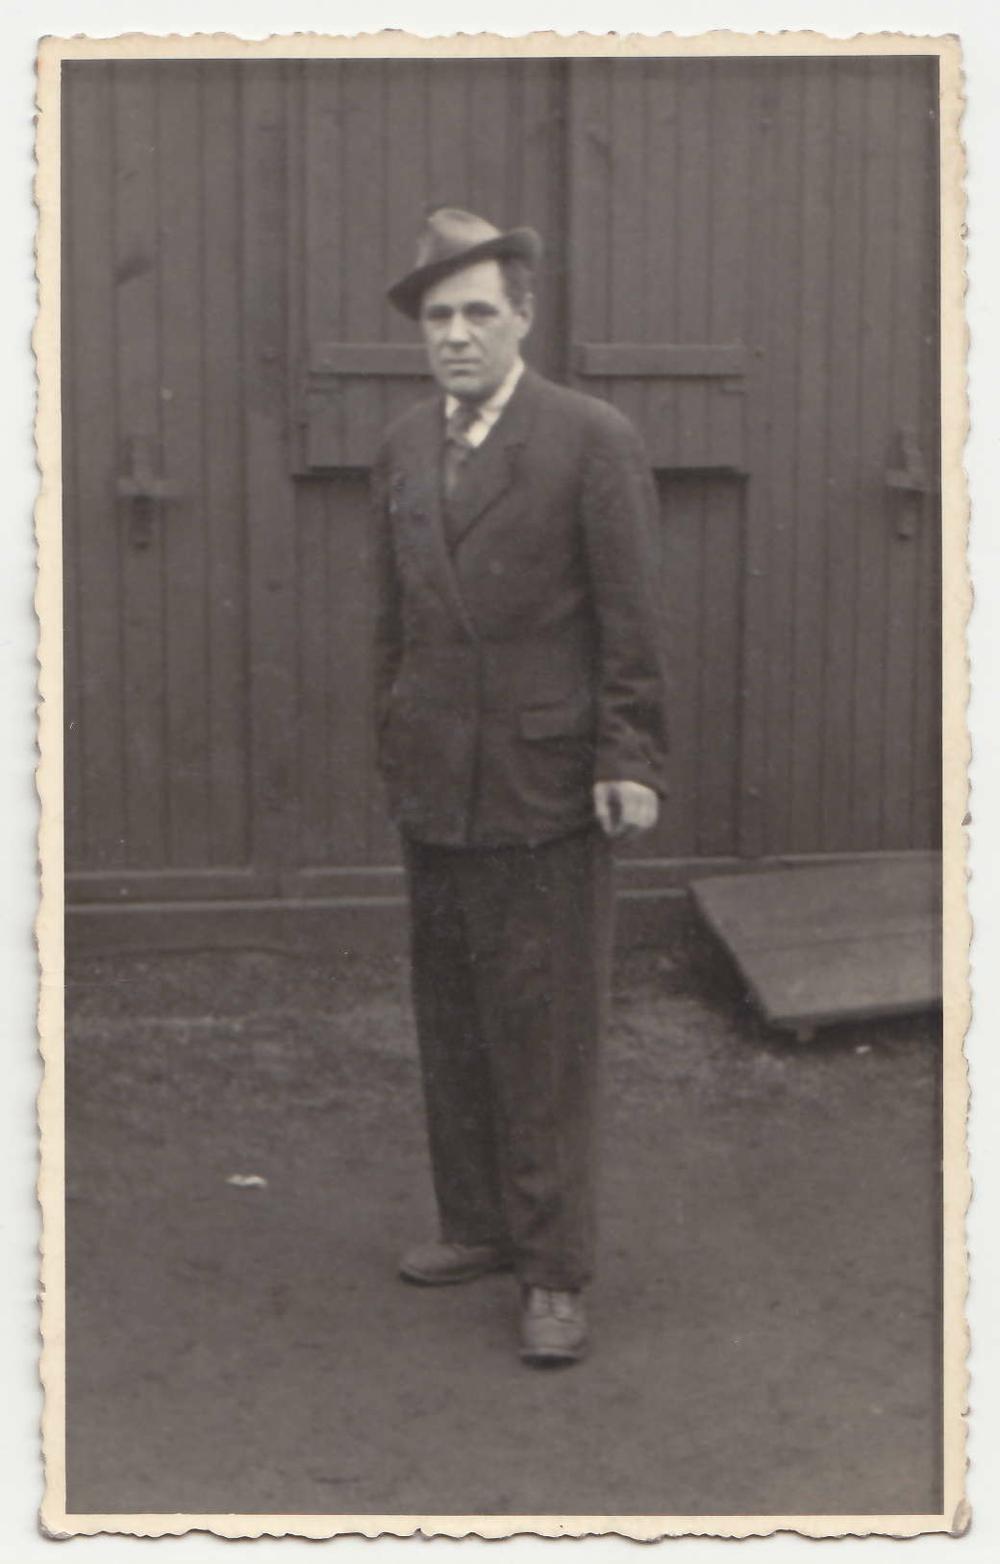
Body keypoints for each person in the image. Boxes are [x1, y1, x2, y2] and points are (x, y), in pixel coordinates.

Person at [372, 207, 668, 1366]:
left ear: (523, 317)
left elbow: (631, 618)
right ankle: (479, 1224)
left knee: (542, 1031)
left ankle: (553, 1271)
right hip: (436, 780)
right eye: (437, 316)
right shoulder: (404, 444)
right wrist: (394, 738)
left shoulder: (590, 438)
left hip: (545, 784)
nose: (455, 334)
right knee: (450, 1012)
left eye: (477, 312)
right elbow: (390, 621)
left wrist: (628, 757)